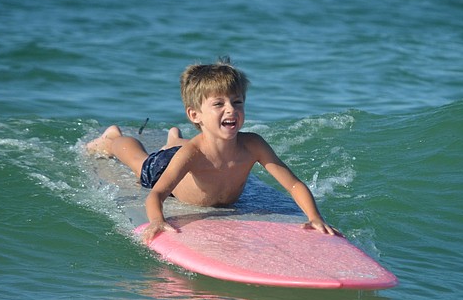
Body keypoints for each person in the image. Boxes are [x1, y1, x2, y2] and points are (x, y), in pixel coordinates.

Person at [86, 60, 341, 241]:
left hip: (193, 152)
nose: (230, 109)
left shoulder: (253, 145)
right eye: (219, 104)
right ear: (195, 114)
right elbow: (157, 194)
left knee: (185, 146)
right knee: (141, 164)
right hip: (169, 166)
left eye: (237, 102)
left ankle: (174, 138)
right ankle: (113, 138)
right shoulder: (193, 154)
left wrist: (314, 217)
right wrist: (157, 221)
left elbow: (294, 185)